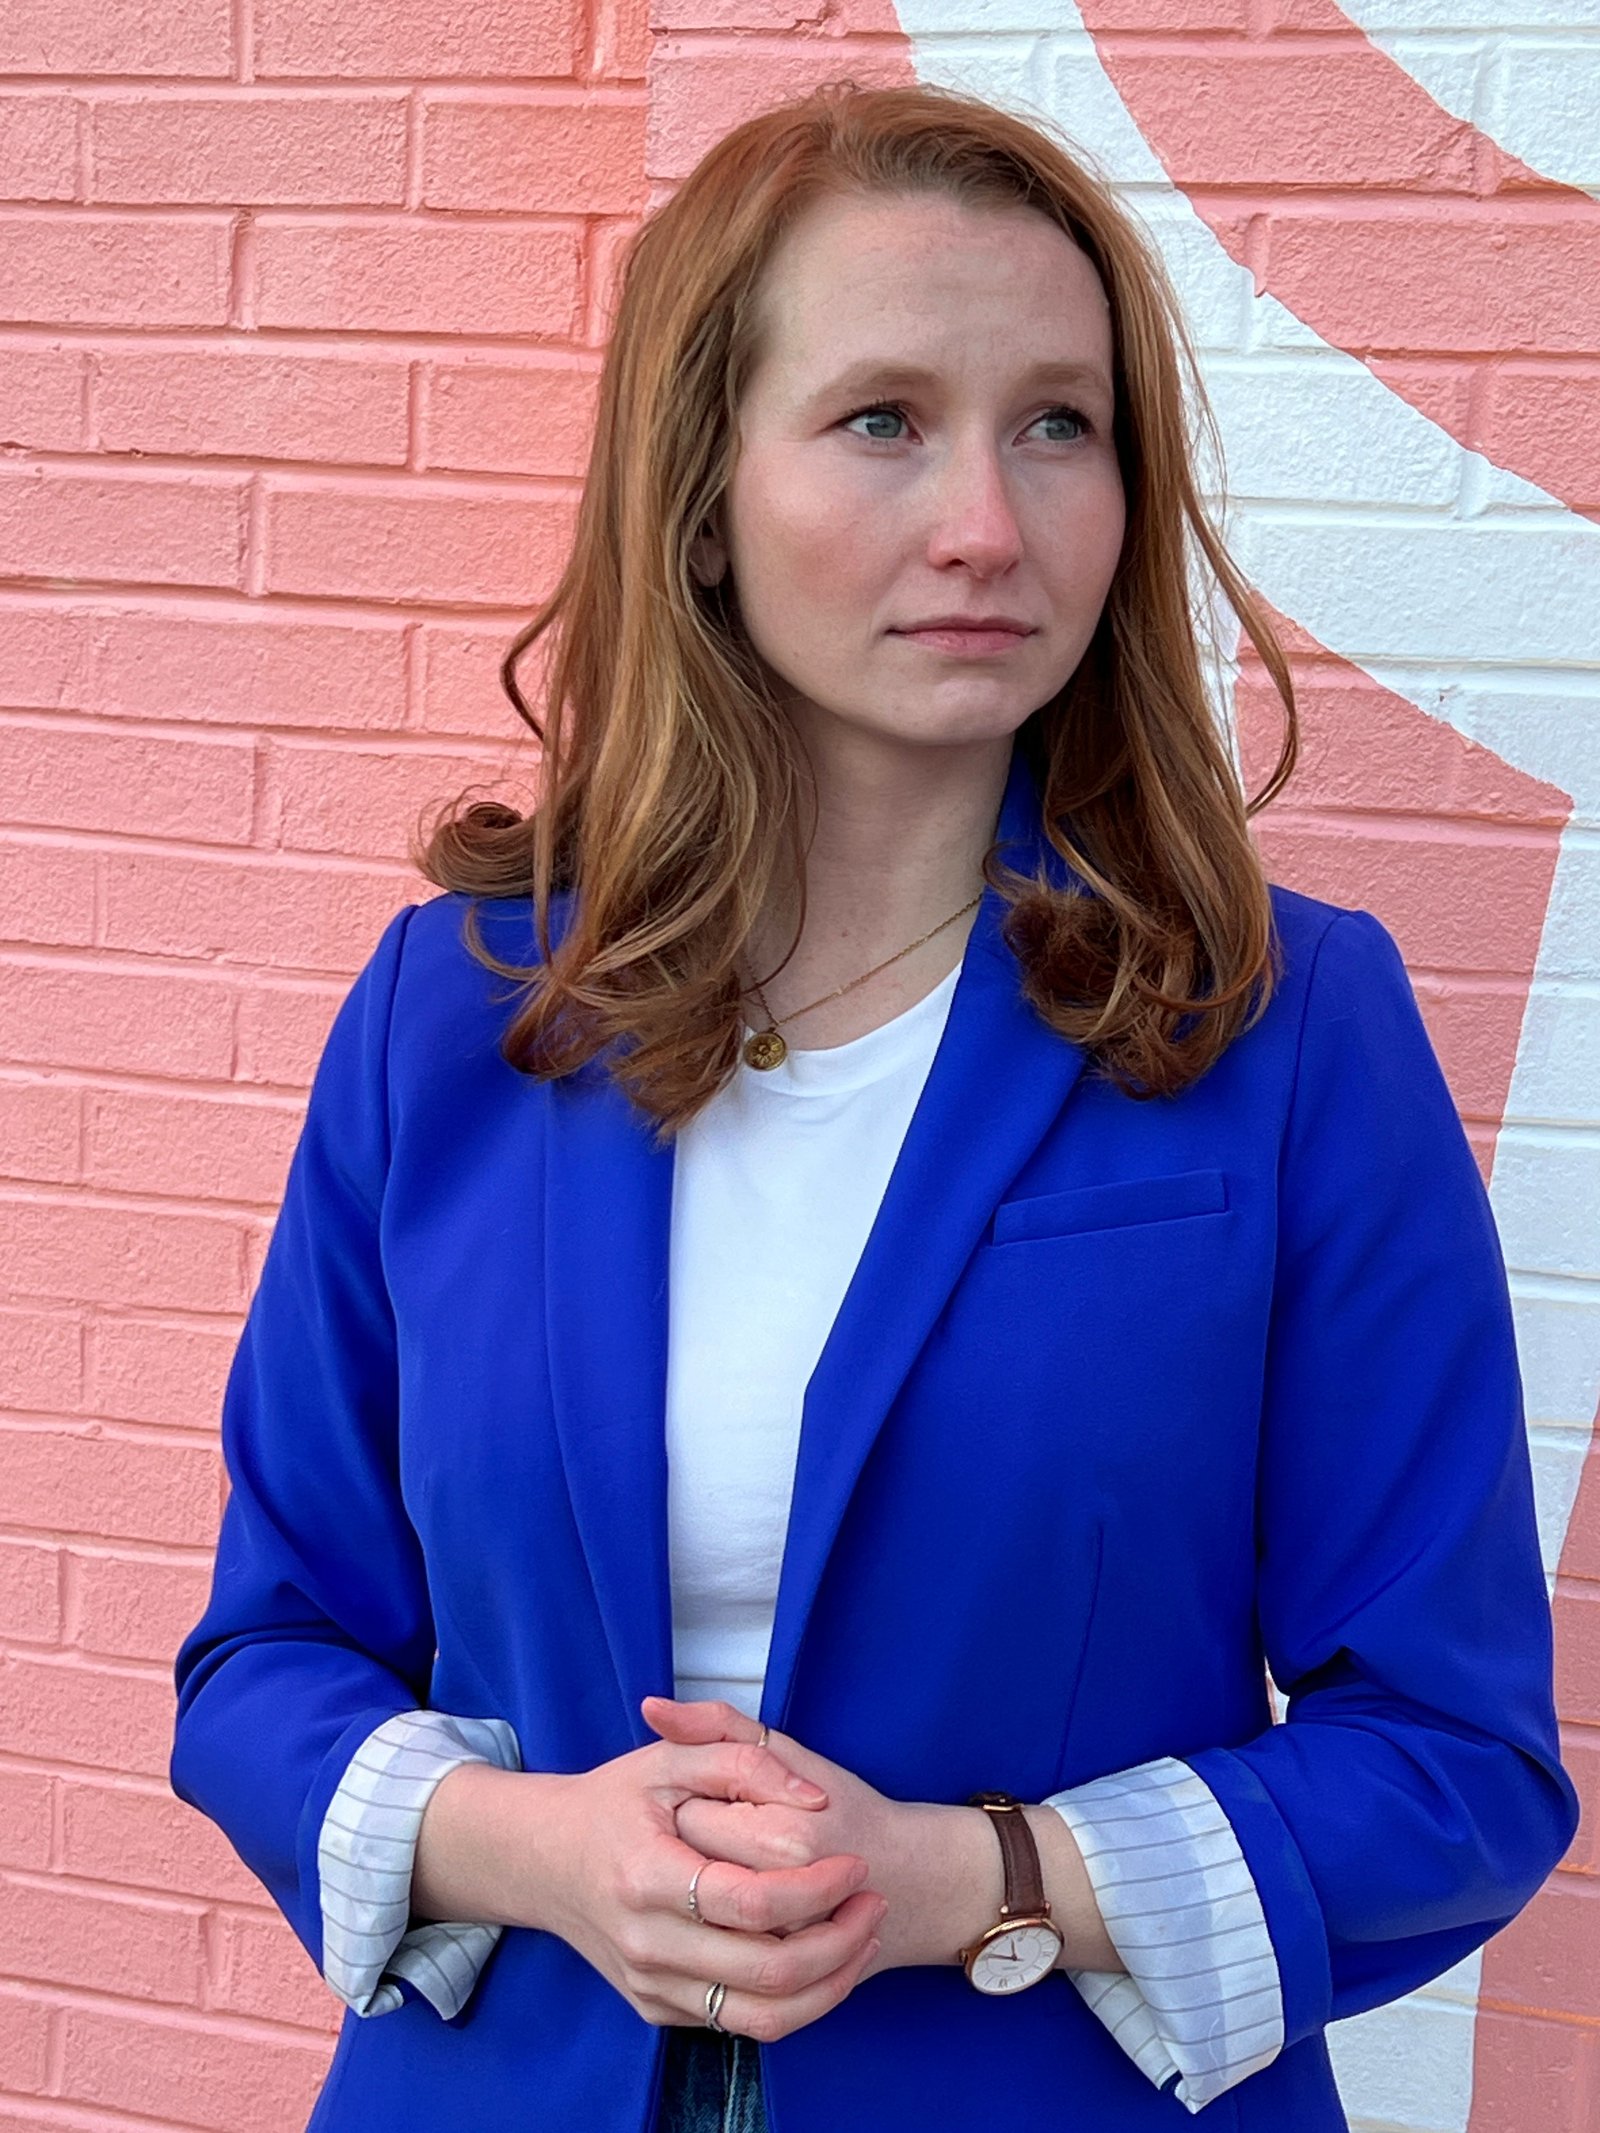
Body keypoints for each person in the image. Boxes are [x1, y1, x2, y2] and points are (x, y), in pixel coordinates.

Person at [169, 78, 1578, 2133]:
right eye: (883, 420)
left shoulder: (1286, 1028)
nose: (988, 524)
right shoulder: (451, 1019)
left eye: (1058, 423)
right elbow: (268, 1660)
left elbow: (1453, 1761)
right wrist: (545, 1849)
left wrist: (967, 1879)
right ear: (703, 499)